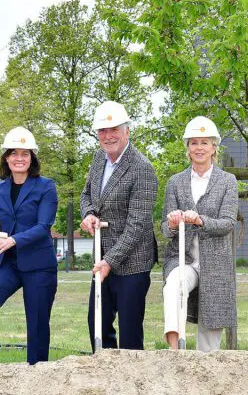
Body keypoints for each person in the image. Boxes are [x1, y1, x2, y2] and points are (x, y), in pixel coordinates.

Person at [0, 127, 59, 365]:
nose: (19, 158)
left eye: (24, 154)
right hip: (8, 264)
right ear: (6, 158)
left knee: (37, 322)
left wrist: (12, 240)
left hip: (39, 266)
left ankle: (37, 371)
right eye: (13, 153)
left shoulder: (46, 187)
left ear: (32, 158)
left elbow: (43, 227)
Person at [79, 101, 158, 350]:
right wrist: (89, 213)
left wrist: (109, 261)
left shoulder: (142, 168)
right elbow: (87, 195)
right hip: (102, 257)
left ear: (127, 131)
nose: (108, 136)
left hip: (133, 263)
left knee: (130, 333)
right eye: (102, 130)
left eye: (114, 129)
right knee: (97, 324)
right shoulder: (98, 159)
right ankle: (105, 372)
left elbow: (137, 224)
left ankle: (132, 375)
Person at [160, 116, 238, 352]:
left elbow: (228, 223)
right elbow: (165, 229)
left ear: (214, 147)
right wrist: (173, 223)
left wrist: (200, 220)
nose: (199, 148)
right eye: (194, 143)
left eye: (205, 142)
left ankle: (207, 367)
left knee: (210, 340)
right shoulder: (175, 182)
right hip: (183, 260)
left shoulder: (227, 181)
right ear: (188, 147)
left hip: (216, 263)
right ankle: (175, 351)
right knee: (173, 286)